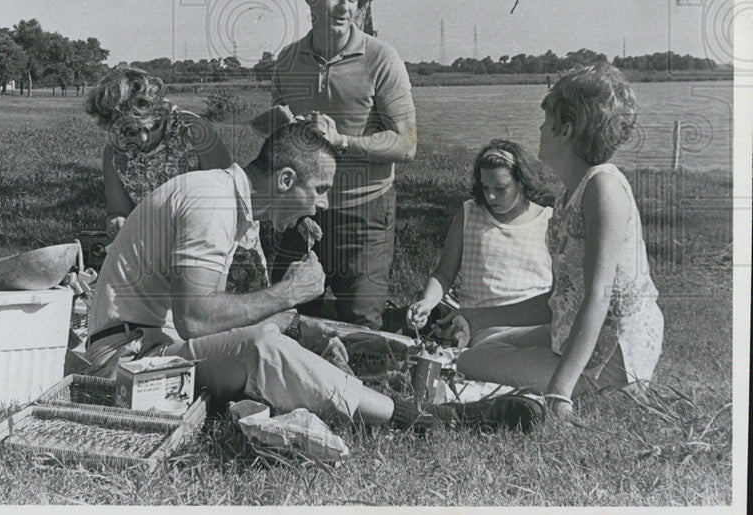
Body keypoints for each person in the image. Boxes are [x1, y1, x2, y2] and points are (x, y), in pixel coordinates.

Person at [72, 122, 544, 432]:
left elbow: (219, 310)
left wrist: (296, 318)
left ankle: (376, 384)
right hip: (125, 362)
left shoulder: (227, 201)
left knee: (282, 331)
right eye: (317, 189)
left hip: (151, 344)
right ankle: (420, 420)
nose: (321, 204)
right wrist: (286, 294)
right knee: (262, 346)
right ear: (284, 180)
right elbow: (197, 319)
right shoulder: (211, 202)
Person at [456, 64, 664, 420]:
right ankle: (561, 374)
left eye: (546, 118)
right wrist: (475, 317)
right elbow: (563, 296)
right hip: (580, 334)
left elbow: (599, 294)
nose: (539, 127)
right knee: (484, 340)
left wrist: (560, 392)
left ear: (565, 129)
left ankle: (596, 388)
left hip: (613, 356)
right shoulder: (571, 193)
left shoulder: (603, 187)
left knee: (471, 360)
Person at [253, 0, 417, 328]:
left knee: (360, 323)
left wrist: (340, 141)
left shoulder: (381, 59)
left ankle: (362, 385)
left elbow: (406, 145)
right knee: (284, 316)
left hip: (364, 210)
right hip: (301, 210)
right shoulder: (288, 60)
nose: (345, 7)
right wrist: (282, 129)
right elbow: (280, 138)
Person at [407, 140, 554, 346]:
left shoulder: (549, 221)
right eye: (485, 187)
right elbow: (443, 273)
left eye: (500, 188)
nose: (491, 196)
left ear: (522, 182)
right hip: (479, 328)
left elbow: (556, 294)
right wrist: (428, 301)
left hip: (529, 325)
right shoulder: (470, 214)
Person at [86, 66, 232, 239]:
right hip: (155, 242)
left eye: (151, 127)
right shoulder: (114, 152)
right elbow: (118, 211)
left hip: (211, 233)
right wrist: (117, 220)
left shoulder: (194, 130)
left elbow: (229, 194)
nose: (141, 139)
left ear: (157, 111)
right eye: (126, 131)